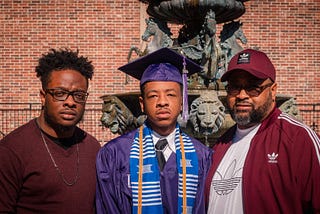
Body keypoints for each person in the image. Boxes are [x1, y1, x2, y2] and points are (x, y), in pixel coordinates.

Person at [96, 48, 213, 214]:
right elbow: (107, 207)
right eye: (153, 96)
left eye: (171, 95)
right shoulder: (114, 154)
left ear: (182, 102)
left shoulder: (202, 156)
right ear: (142, 104)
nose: (162, 102)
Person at [205, 49, 320, 213]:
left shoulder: (298, 140)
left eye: (253, 88)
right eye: (234, 87)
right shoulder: (220, 145)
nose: (242, 95)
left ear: (273, 91)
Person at [0, 48, 101, 213]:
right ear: (43, 96)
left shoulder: (92, 147)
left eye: (79, 95)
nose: (70, 102)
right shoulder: (11, 151)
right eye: (60, 93)